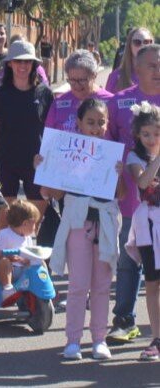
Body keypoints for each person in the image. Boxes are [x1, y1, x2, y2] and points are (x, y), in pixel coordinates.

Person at [44, 98, 122, 361]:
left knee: (101, 286)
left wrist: (119, 174)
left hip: (106, 223)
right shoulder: (68, 151)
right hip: (78, 222)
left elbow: (120, 193)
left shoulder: (112, 153)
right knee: (78, 285)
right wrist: (45, 167)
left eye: (101, 122)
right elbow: (52, 192)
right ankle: (73, 341)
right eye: (90, 122)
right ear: (78, 123)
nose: (96, 127)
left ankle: (99, 339)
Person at [107, 43, 160, 344]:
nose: (158, 70)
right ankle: (124, 321)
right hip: (132, 203)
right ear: (136, 69)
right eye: (151, 65)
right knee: (129, 264)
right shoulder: (119, 102)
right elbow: (102, 143)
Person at [0, 40, 53, 223]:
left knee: (33, 224)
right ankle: (1, 252)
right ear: (10, 63)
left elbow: (51, 132)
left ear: (34, 64)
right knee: (3, 222)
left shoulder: (45, 93)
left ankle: (29, 253)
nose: (23, 65)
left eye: (27, 61)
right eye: (18, 61)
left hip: (36, 162)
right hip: (5, 161)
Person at [122, 100, 160, 361]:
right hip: (148, 223)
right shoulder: (135, 157)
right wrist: (157, 160)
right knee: (152, 281)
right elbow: (143, 182)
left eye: (157, 133)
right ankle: (156, 337)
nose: (151, 138)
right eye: (146, 134)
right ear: (138, 135)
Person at [44, 51, 112, 133]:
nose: (77, 85)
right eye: (72, 80)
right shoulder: (58, 103)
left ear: (94, 76)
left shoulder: (111, 102)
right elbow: (48, 138)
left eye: (82, 80)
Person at [0, 201, 39, 302]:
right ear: (25, 223)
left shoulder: (27, 238)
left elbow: (29, 254)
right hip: (4, 272)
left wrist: (28, 260)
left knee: (39, 262)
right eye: (34, 224)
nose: (35, 228)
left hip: (21, 272)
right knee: (4, 261)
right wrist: (8, 257)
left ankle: (42, 284)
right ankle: (7, 289)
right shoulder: (4, 234)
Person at [107, 27, 154, 94]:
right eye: (137, 42)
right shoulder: (115, 77)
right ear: (130, 46)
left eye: (146, 42)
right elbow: (108, 103)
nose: (142, 46)